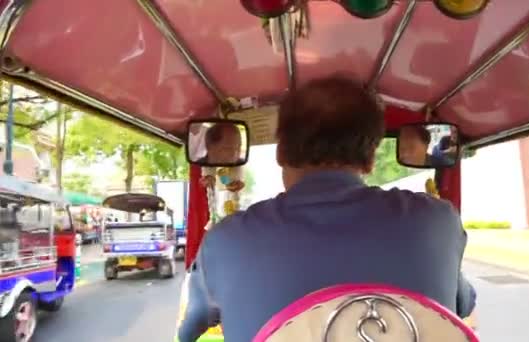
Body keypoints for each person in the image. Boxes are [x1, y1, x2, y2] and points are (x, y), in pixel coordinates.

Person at [178, 75, 477, 342]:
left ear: (280, 153)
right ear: (370, 160)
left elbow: (189, 329)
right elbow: (462, 303)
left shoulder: (226, 240)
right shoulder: (437, 221)